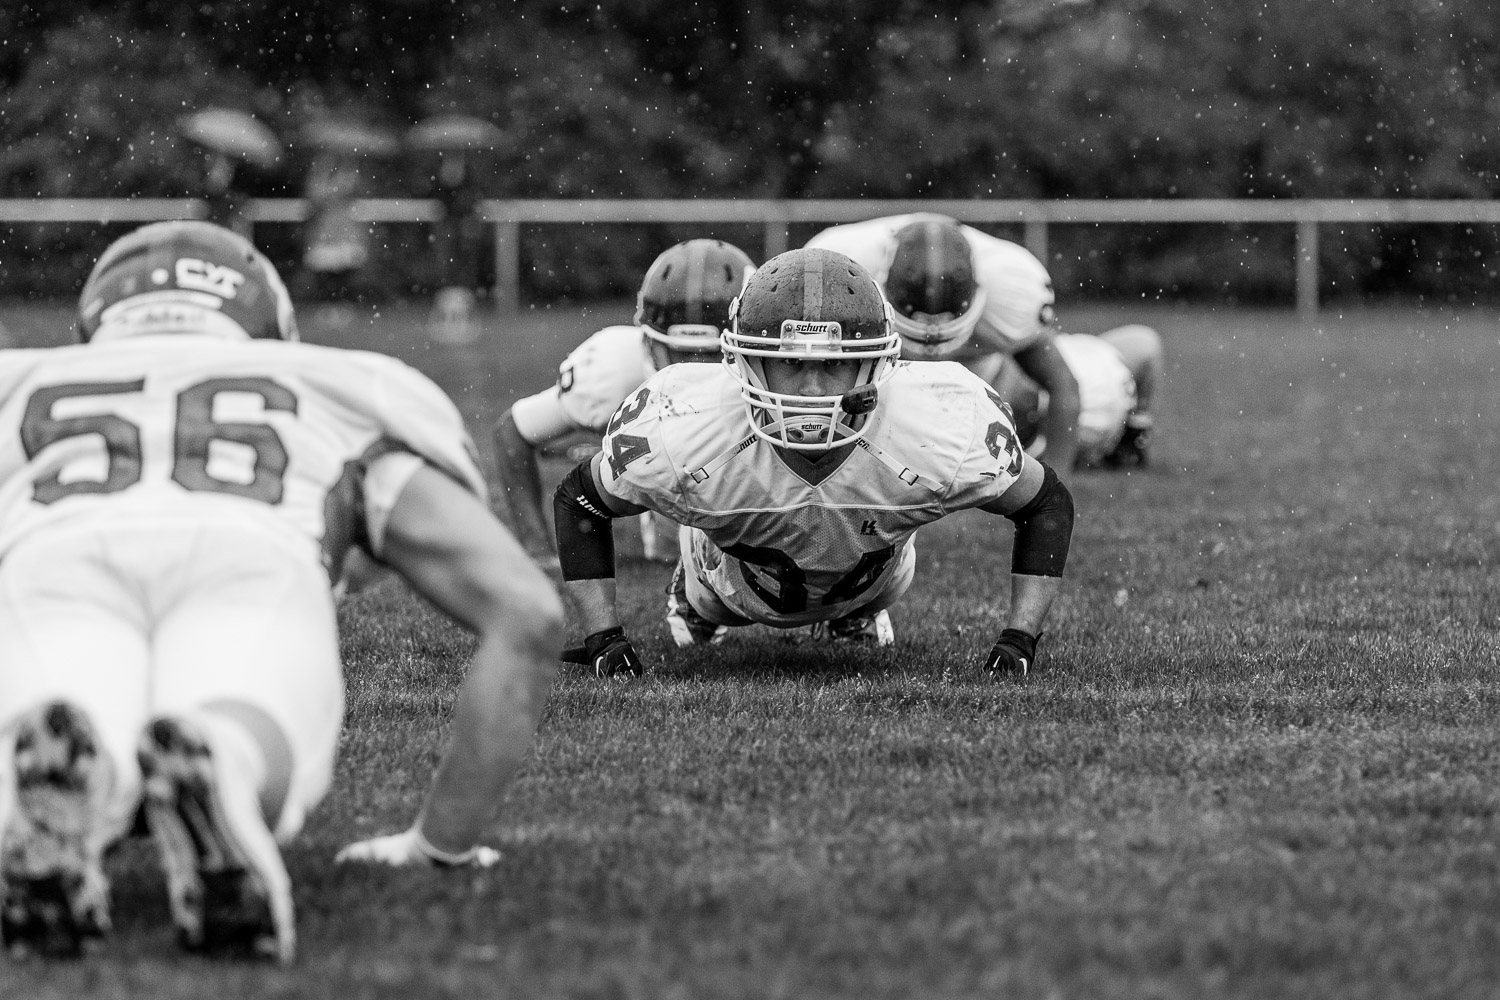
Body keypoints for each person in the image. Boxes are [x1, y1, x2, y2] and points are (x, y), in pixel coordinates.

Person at [0, 221, 563, 963]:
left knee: (55, 698)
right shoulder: (340, 386)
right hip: (250, 554)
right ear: (269, 322)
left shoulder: (20, 378)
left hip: (56, 552)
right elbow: (527, 614)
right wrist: (440, 847)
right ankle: (222, 765)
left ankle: (49, 781)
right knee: (241, 712)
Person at [552, 247, 1074, 670]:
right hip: (731, 583)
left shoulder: (940, 421)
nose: (812, 390)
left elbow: (1045, 502)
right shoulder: (683, 424)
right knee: (717, 602)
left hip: (875, 576)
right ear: (745, 362)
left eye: (833, 365)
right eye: (791, 365)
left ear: (875, 363)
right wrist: (603, 638)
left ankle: (855, 612)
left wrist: (1019, 639)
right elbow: (580, 499)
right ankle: (694, 599)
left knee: (876, 583)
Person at [493, 239, 757, 570]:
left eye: (709, 354)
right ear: (648, 344)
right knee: (674, 555)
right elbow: (512, 432)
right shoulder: (614, 373)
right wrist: (537, 550)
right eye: (681, 353)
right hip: (669, 543)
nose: (695, 369)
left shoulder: (784, 379)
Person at [804, 213, 1086, 472]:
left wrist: (1053, 487)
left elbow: (1062, 383)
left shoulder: (1013, 291)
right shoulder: (839, 271)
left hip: (984, 380)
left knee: (1101, 399)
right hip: (873, 385)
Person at [995, 325, 1164, 469]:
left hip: (1082, 361)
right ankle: (1130, 442)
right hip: (1077, 414)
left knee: (1145, 341)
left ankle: (1132, 439)